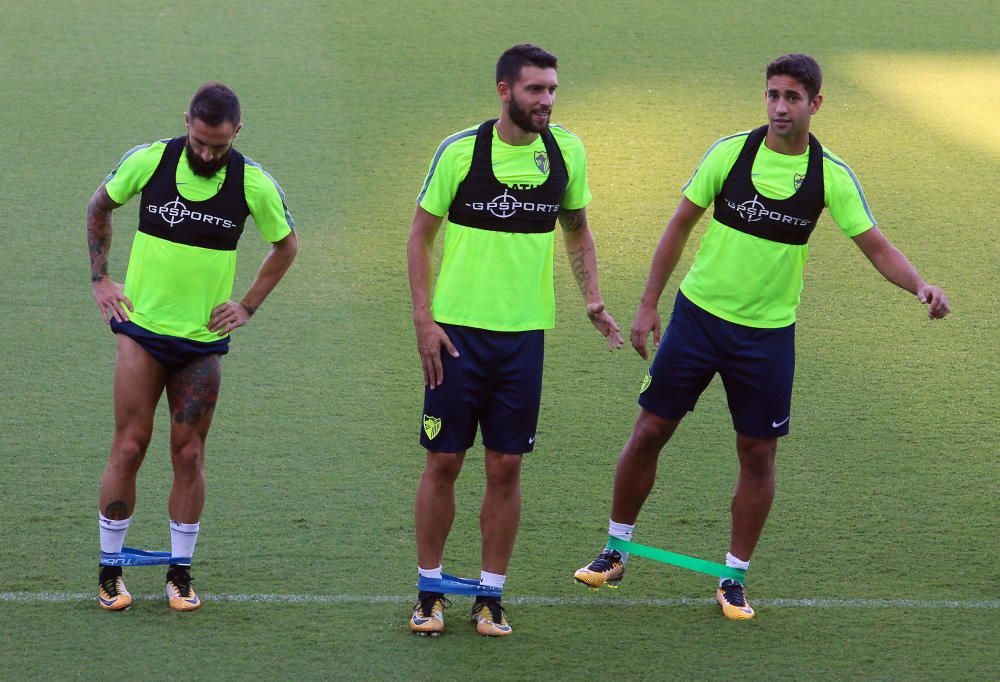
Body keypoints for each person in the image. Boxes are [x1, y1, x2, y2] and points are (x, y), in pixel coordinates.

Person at [573, 54, 950, 620]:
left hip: (767, 338)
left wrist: (919, 284)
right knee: (650, 429)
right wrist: (649, 304)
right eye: (773, 94)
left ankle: (733, 577)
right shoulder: (730, 154)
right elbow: (680, 224)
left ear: (815, 104)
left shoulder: (829, 176)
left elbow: (875, 244)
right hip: (697, 320)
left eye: (792, 97)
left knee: (757, 453)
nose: (779, 107)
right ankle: (615, 549)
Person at [407, 44, 623, 637]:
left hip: (524, 338)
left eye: (552, 89)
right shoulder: (460, 152)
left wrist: (593, 298)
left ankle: (490, 595)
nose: (546, 100)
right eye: (535, 90)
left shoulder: (566, 152)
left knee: (506, 467)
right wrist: (425, 319)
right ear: (505, 90)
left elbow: (577, 230)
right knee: (443, 461)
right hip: (456, 337)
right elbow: (420, 236)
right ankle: (429, 590)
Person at [88, 82, 298, 611]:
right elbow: (99, 206)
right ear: (187, 122)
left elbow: (286, 245)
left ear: (237, 132)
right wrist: (100, 279)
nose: (207, 154)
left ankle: (179, 573)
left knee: (189, 452)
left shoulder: (254, 184)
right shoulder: (152, 161)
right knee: (130, 445)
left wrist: (247, 305)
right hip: (142, 333)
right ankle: (110, 569)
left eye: (219, 145)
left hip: (202, 345)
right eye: (200, 142)